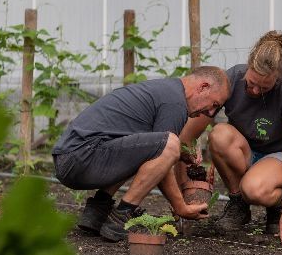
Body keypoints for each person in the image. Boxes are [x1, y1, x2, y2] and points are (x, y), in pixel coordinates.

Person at [52, 66, 231, 242]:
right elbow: (164, 156)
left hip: (71, 158)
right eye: (214, 105)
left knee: (157, 146)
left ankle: (98, 210)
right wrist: (180, 207)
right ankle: (121, 216)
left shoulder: (166, 90)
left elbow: (149, 149)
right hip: (81, 158)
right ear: (203, 87)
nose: (210, 113)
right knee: (170, 145)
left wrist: (179, 154)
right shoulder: (175, 103)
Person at [179, 31, 282, 246]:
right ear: (247, 67)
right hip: (245, 149)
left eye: (264, 87)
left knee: (255, 189)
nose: (256, 90)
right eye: (251, 83)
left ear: (277, 78)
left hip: (278, 155)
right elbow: (187, 136)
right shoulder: (232, 79)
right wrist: (185, 187)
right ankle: (238, 203)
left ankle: (276, 207)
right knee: (219, 134)